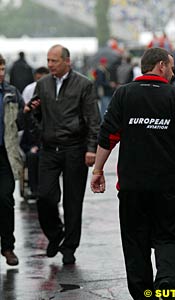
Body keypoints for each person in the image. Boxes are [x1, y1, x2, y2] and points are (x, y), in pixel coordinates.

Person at [90, 47, 175, 300]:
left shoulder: (123, 94)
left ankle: (144, 295)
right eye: (171, 67)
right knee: (169, 239)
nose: (173, 73)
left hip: (132, 186)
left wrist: (97, 170)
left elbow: (108, 136)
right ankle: (167, 286)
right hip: (167, 186)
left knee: (135, 243)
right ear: (161, 66)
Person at [24, 44, 100, 265]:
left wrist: (91, 148)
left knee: (73, 201)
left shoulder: (84, 84)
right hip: (49, 149)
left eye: (54, 61)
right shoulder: (43, 84)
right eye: (48, 61)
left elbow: (93, 119)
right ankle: (56, 234)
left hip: (75, 149)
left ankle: (69, 247)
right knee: (44, 196)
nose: (49, 65)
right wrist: (35, 123)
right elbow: (34, 114)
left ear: (67, 61)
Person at [0, 54, 25, 266]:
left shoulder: (11, 93)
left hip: (5, 155)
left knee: (6, 200)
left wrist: (28, 112)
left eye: (2, 69)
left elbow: (24, 123)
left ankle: (8, 247)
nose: (0, 74)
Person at [21, 67, 49, 199]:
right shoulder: (29, 91)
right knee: (32, 156)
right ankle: (34, 189)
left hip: (47, 144)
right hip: (33, 144)